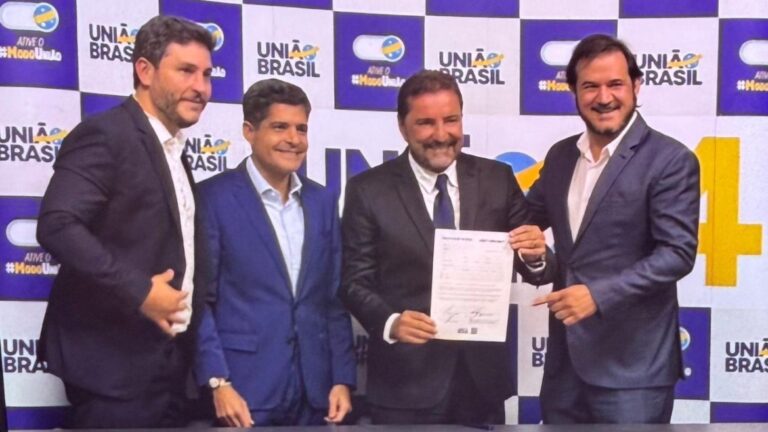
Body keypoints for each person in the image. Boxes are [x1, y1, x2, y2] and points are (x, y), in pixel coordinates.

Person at [340, 70, 550, 425]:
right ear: (403, 127)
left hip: (482, 383)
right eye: (426, 123)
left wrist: (536, 257)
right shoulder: (368, 190)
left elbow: (535, 263)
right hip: (404, 384)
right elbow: (353, 281)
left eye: (451, 120)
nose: (441, 134)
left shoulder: (497, 178)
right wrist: (391, 322)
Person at [36, 15, 214, 428]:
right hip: (111, 369)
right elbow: (57, 224)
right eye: (186, 71)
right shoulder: (106, 134)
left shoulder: (172, 148)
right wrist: (140, 291)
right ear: (145, 71)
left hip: (165, 368)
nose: (201, 87)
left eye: (206, 75)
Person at [526, 34, 700, 424]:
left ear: (636, 86)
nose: (604, 98)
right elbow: (526, 219)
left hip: (633, 372)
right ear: (573, 91)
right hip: (564, 369)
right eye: (590, 86)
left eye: (615, 84)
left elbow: (677, 254)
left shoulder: (670, 160)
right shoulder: (561, 155)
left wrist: (597, 295)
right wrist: (531, 250)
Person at [195, 79, 356, 428]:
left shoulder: (323, 200)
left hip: (316, 394)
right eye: (280, 127)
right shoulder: (212, 198)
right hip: (242, 392)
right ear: (249, 131)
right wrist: (217, 381)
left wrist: (342, 378)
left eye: (301, 128)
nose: (294, 139)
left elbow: (333, 300)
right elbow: (200, 302)